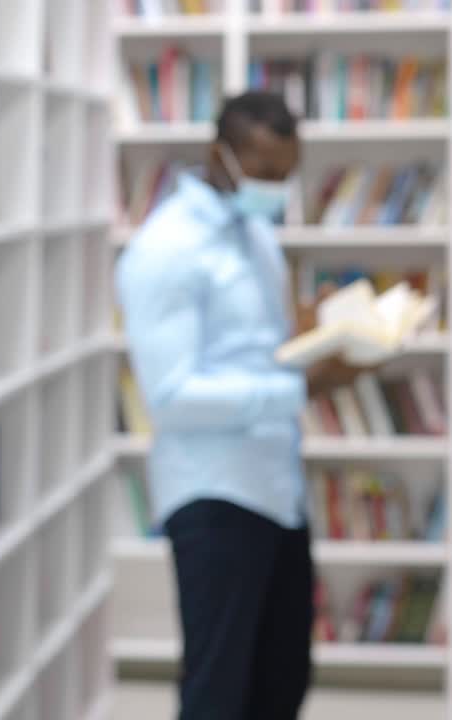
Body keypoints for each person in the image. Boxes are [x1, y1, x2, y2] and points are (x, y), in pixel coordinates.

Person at [114, 92, 362, 720]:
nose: (277, 187)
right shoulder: (166, 249)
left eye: (287, 173)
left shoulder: (255, 232)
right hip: (215, 496)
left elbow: (255, 348)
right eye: (266, 172)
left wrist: (322, 334)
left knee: (282, 680)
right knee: (217, 692)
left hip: (278, 487)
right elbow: (169, 399)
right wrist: (300, 390)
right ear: (218, 156)